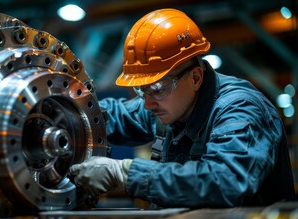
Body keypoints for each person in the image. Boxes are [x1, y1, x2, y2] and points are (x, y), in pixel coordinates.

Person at [69, 8, 296, 208]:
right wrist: (65, 112)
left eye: (156, 88)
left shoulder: (240, 109)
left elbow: (225, 182)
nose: (147, 103)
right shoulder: (167, 103)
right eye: (142, 90)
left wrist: (125, 174)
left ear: (196, 78)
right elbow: (110, 116)